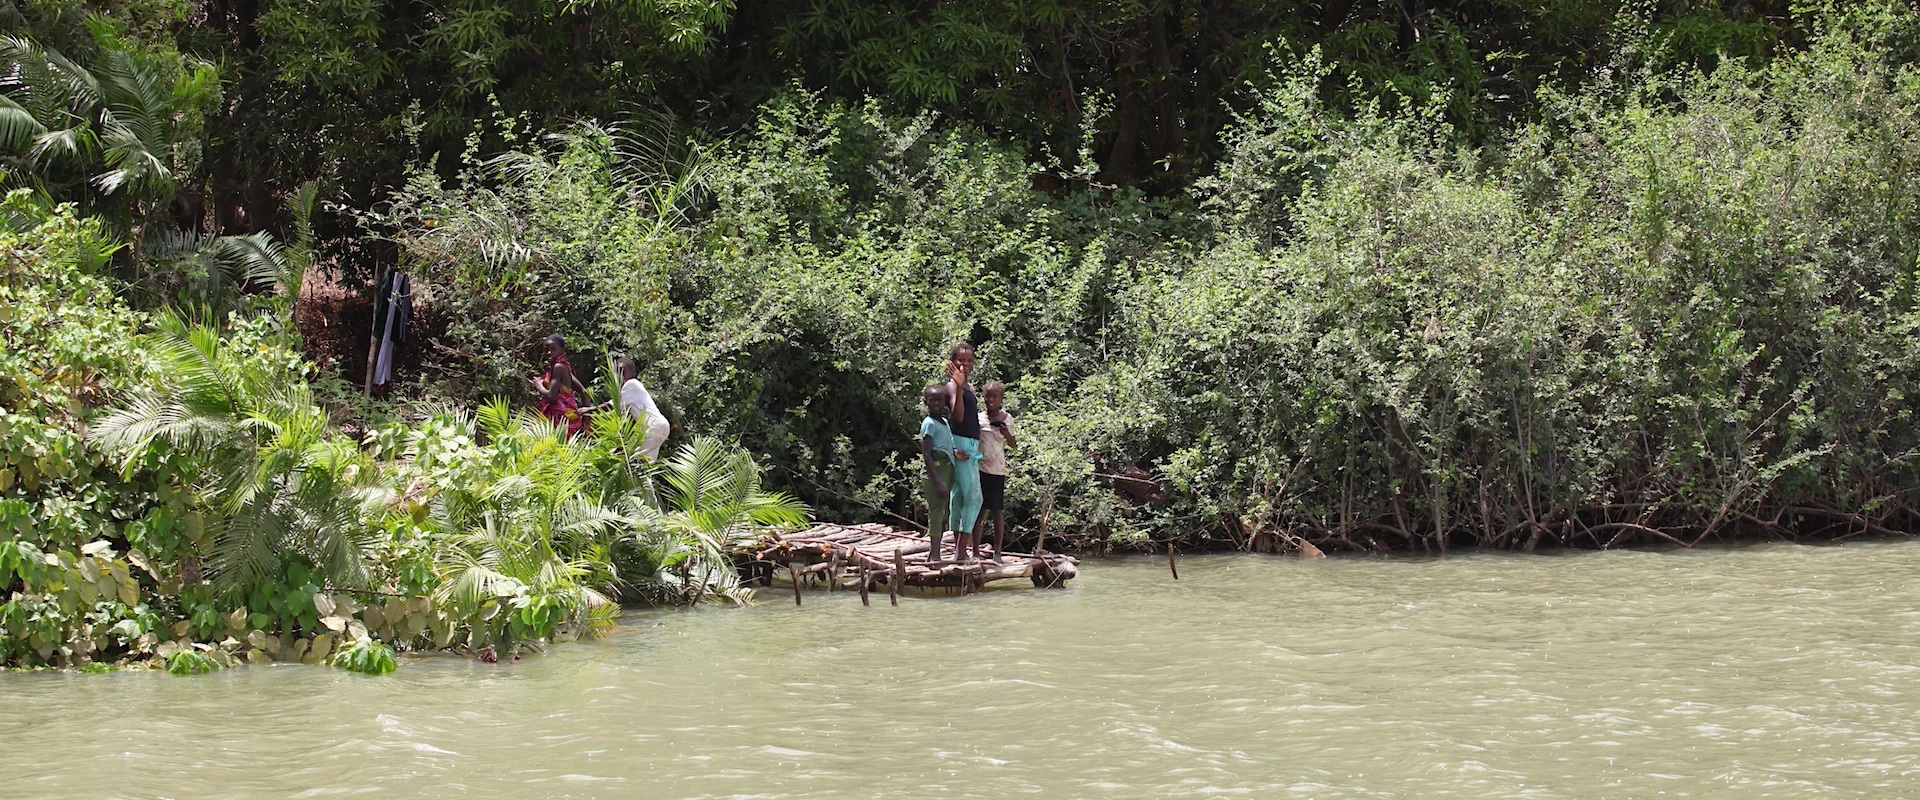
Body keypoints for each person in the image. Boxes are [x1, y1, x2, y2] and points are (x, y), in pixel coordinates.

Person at [944, 344, 984, 563]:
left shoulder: (967, 386)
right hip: (962, 444)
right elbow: (957, 417)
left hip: (970, 444)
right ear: (952, 362)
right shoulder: (952, 386)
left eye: (969, 361)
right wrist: (958, 388)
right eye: (961, 360)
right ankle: (961, 552)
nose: (965, 364)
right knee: (975, 498)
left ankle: (958, 549)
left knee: (959, 495)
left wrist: (963, 387)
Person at [975, 380, 1016, 559]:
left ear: (1001, 398)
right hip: (979, 469)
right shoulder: (978, 418)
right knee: (979, 511)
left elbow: (1013, 444)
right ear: (983, 397)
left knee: (997, 511)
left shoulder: (1007, 418)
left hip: (997, 471)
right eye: (988, 395)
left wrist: (1006, 433)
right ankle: (975, 551)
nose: (991, 399)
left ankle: (998, 552)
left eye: (995, 396)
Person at [919, 384, 957, 563]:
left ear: (945, 402)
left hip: (946, 468)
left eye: (939, 400)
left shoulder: (944, 421)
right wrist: (939, 481)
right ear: (926, 402)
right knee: (936, 511)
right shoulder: (929, 423)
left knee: (942, 512)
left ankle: (933, 554)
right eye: (931, 400)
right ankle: (935, 555)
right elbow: (927, 453)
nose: (935, 403)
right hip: (935, 471)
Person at [530, 334, 589, 438]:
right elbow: (583, 392)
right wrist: (587, 418)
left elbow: (552, 397)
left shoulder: (558, 367)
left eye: (553, 349)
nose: (549, 352)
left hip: (561, 420)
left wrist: (539, 385)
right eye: (546, 350)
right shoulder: (564, 367)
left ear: (562, 350)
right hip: (568, 418)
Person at [613, 357, 671, 460]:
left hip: (655, 427)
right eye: (618, 372)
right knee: (647, 464)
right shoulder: (630, 389)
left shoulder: (631, 384)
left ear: (633, 373)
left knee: (638, 461)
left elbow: (612, 405)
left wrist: (590, 410)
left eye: (623, 372)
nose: (621, 376)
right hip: (659, 427)